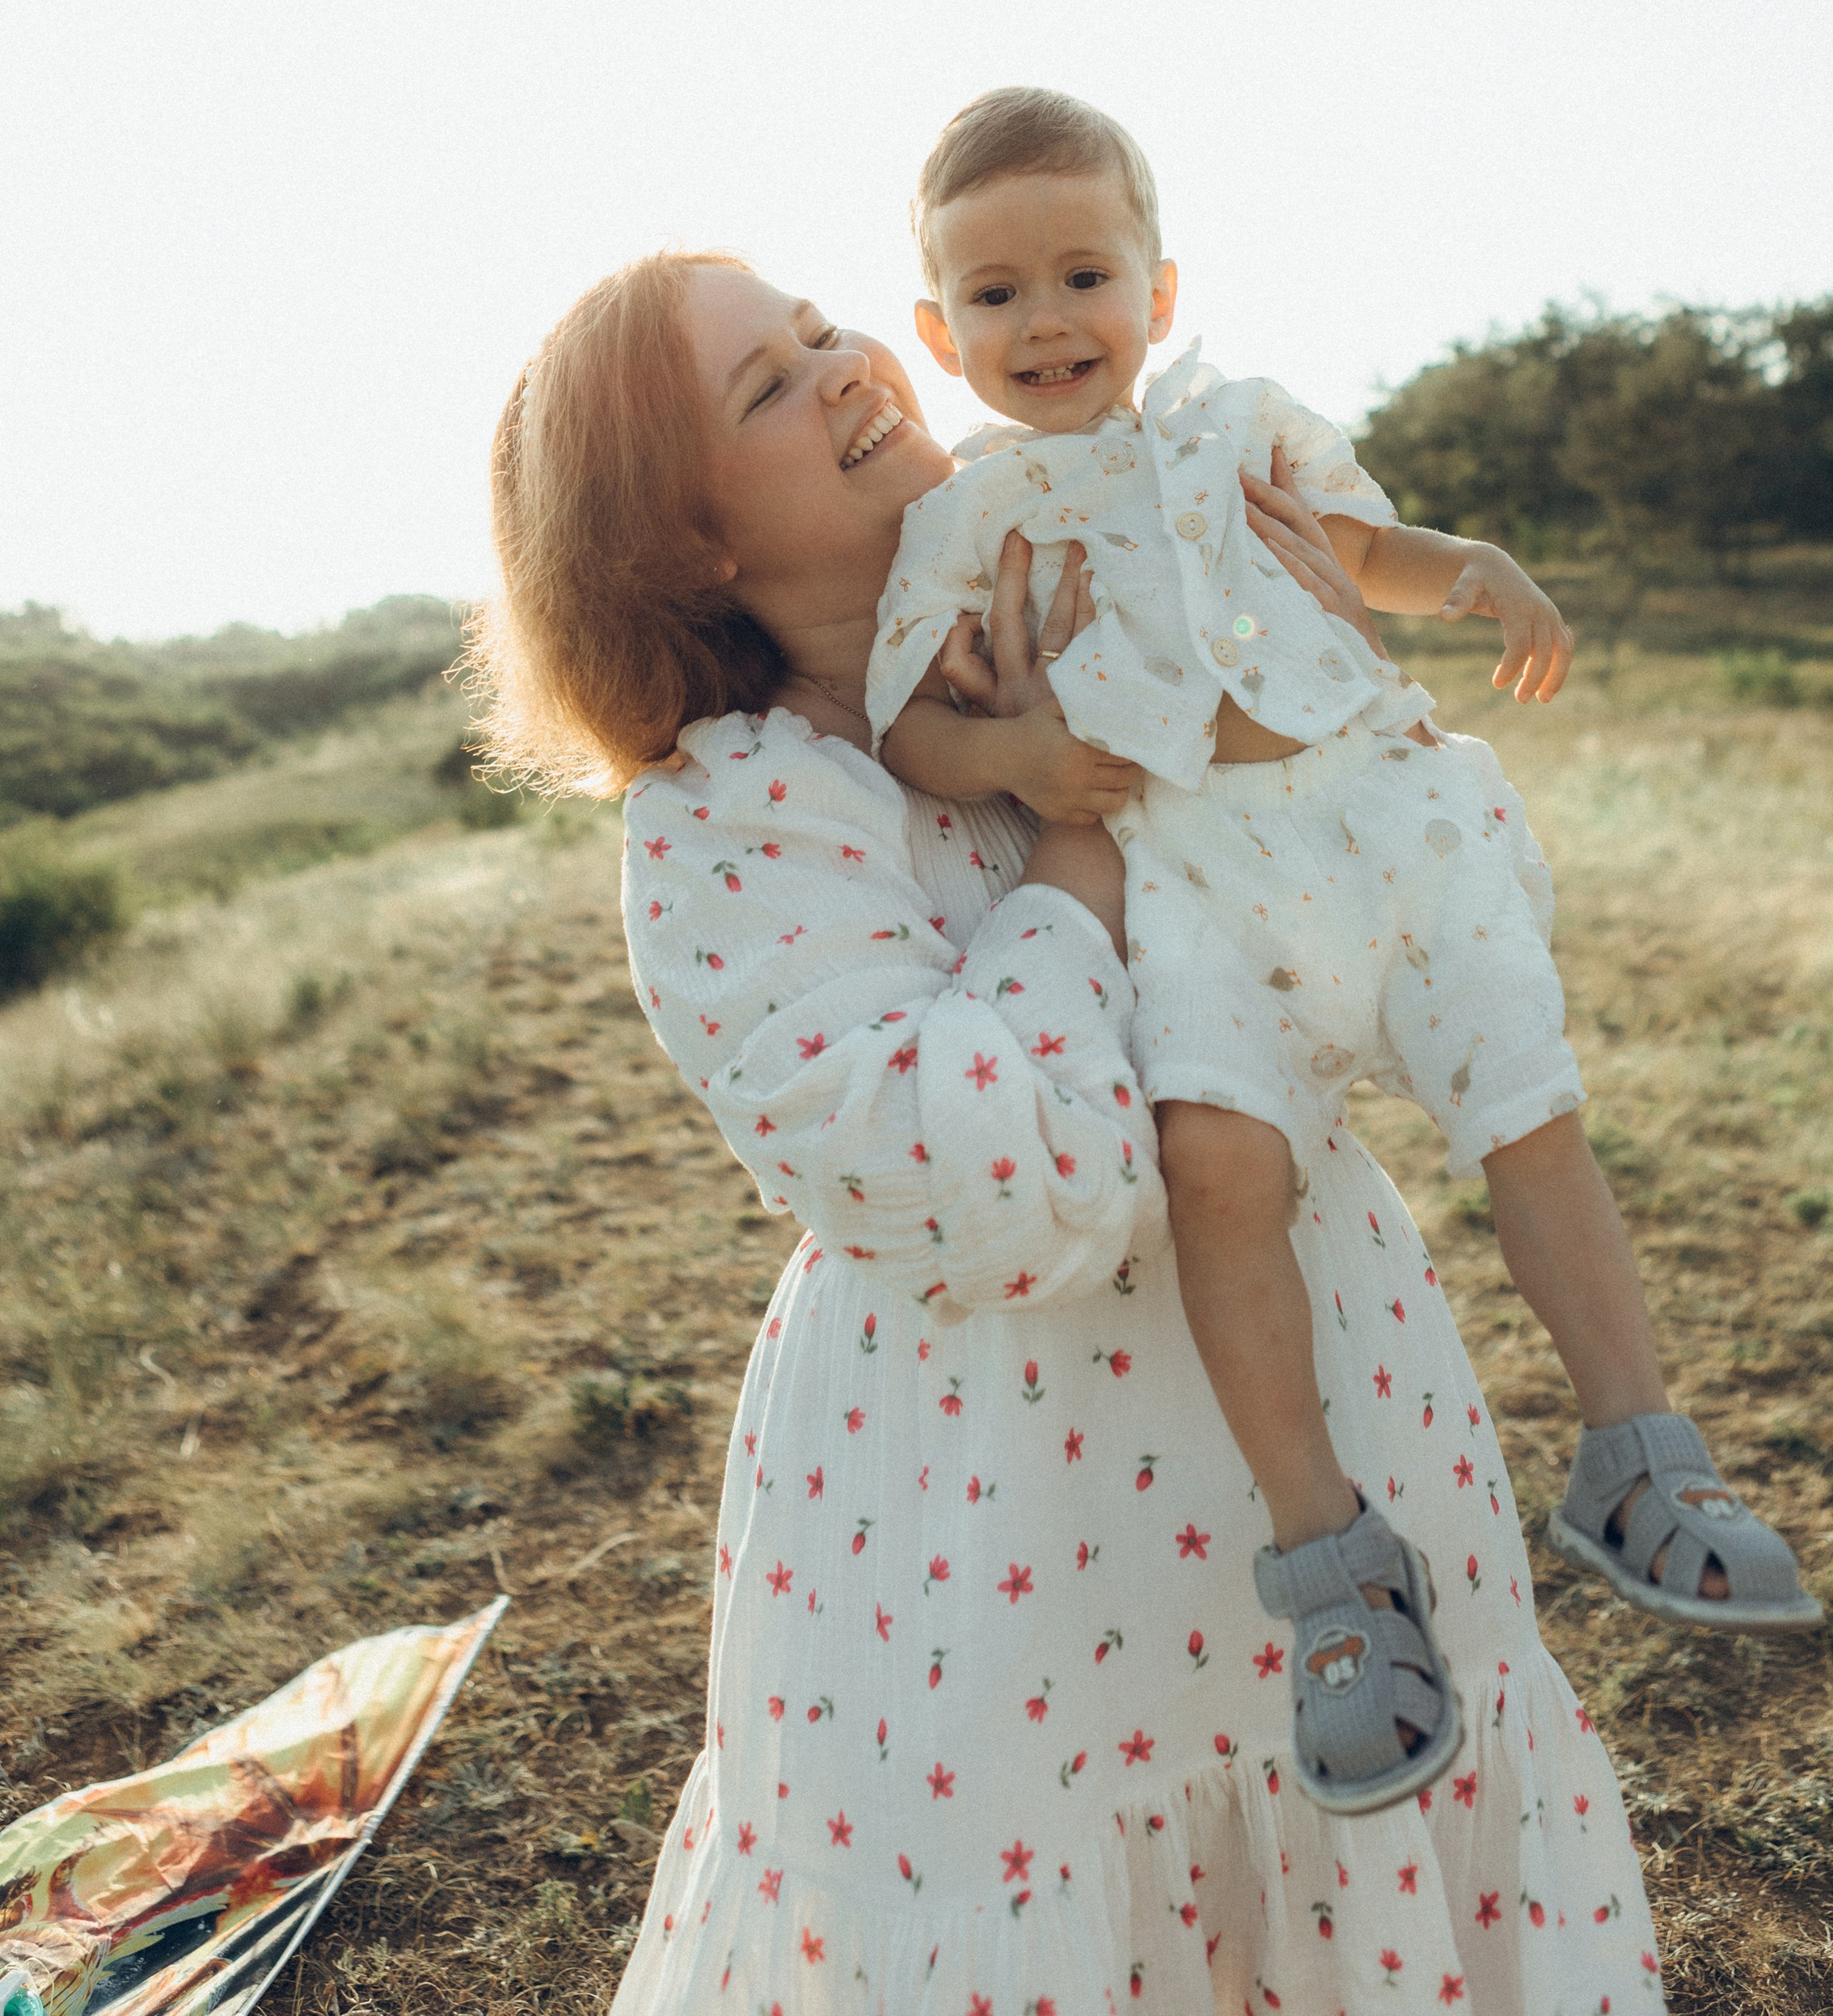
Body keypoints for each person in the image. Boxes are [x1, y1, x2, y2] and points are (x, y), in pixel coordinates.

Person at [469, 246, 1666, 2014]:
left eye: (817, 327)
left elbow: (1377, 941)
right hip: (998, 1521)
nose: (843, 362)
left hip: (1328, 1383)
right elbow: (995, 1192)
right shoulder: (735, 817)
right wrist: (1076, 845)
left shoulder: (1107, 610)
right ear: (686, 542)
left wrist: (1305, 691)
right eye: (764, 386)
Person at [869, 89, 1820, 1813]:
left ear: (1157, 292)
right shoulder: (959, 515)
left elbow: (1362, 552)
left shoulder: (1239, 421)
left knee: (1523, 1109)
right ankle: (1330, 1565)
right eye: (993, 296)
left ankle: (1634, 1453)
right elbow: (905, 726)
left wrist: (1473, 570)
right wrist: (1002, 758)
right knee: (1221, 1167)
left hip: (1380, 819)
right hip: (1191, 870)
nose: (1045, 321)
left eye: (1084, 273)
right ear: (936, 333)